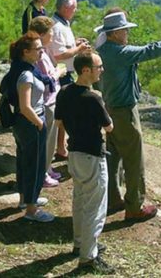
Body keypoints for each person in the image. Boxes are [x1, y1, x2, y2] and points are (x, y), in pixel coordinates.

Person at [96, 11, 161, 221]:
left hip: (109, 109)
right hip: (125, 112)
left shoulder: (102, 51)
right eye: (125, 30)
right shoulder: (121, 52)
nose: (127, 33)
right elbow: (151, 50)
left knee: (113, 156)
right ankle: (134, 206)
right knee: (134, 159)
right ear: (115, 33)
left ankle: (112, 199)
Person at [55, 52, 115, 274]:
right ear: (86, 70)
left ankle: (80, 243)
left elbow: (59, 122)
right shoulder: (93, 98)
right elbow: (109, 127)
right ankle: (88, 257)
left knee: (79, 200)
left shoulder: (64, 92)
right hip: (92, 155)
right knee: (95, 208)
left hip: (74, 155)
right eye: (99, 66)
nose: (102, 70)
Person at [5, 32, 57, 222]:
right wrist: (39, 123)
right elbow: (25, 106)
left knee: (24, 162)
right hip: (30, 123)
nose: (41, 52)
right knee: (35, 165)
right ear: (26, 52)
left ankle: (25, 200)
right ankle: (32, 210)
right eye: (38, 49)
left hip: (22, 124)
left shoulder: (19, 68)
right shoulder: (26, 74)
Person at [48, 0, 90, 159]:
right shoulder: (57, 26)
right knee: (64, 112)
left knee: (65, 112)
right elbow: (59, 55)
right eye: (74, 7)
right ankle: (60, 147)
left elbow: (63, 47)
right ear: (65, 9)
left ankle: (61, 146)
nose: (76, 10)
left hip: (66, 71)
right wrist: (78, 50)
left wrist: (75, 43)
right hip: (62, 73)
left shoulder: (62, 23)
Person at [27, 16, 64, 187]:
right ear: (42, 34)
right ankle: (42, 175)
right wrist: (59, 73)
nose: (53, 36)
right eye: (50, 32)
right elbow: (45, 80)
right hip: (47, 102)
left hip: (51, 101)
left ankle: (47, 169)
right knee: (48, 141)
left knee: (49, 140)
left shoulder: (44, 51)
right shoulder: (40, 55)